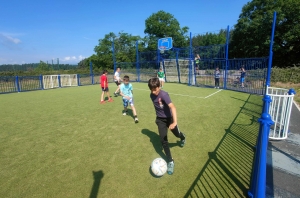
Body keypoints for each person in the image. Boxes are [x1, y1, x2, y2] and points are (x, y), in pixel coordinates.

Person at [148, 77, 186, 175]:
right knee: (163, 140)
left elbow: (173, 107)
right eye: (152, 90)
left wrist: (174, 122)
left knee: (177, 134)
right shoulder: (151, 95)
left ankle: (182, 137)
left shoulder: (164, 95)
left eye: (155, 90)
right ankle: (170, 161)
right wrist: (159, 119)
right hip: (160, 120)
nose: (154, 92)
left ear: (159, 87)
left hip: (170, 119)